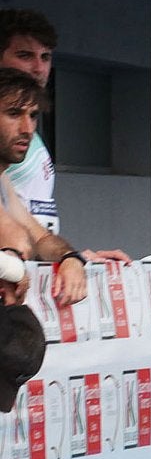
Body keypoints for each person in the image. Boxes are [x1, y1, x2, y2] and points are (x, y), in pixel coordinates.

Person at [0, 68, 99, 306]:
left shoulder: (3, 181)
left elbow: (40, 238)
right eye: (14, 113)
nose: (27, 129)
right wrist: (12, 267)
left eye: (33, 115)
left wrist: (70, 258)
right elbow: (16, 242)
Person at [0, 10, 59, 236]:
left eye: (45, 57)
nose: (39, 68)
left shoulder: (27, 129)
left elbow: (32, 219)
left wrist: (71, 257)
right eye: (25, 55)